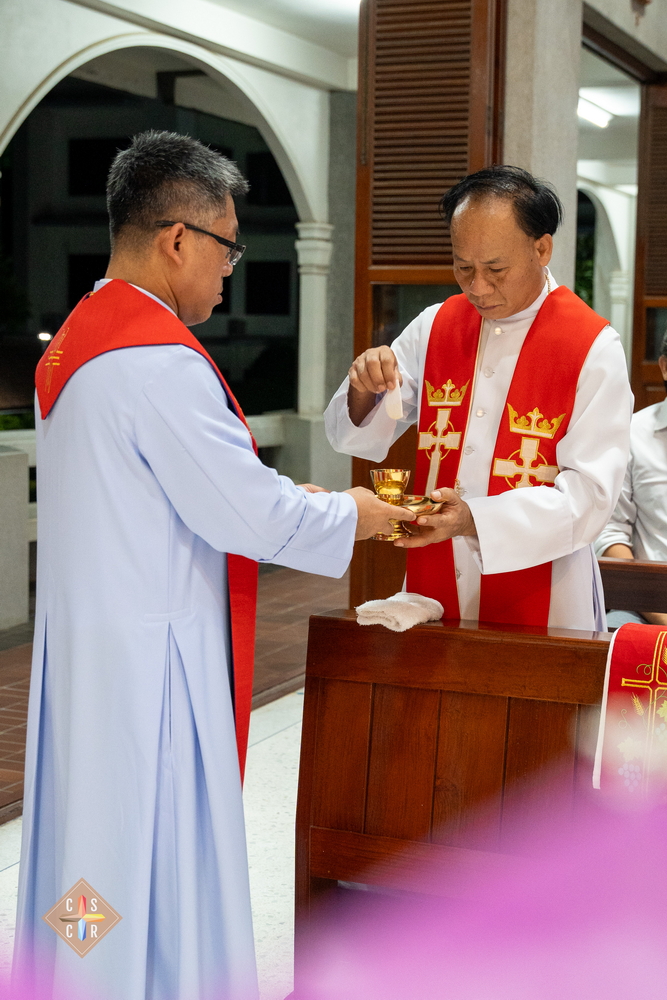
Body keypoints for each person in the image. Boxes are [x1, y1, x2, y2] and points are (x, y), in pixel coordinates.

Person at [12, 130, 414, 1000]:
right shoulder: (155, 361)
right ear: (177, 239)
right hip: (149, 663)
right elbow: (248, 514)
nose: (231, 270)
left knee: (89, 837)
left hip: (90, 648)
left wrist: (285, 494)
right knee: (147, 844)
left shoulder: (77, 342)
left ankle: (79, 976)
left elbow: (175, 491)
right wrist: (355, 514)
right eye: (227, 247)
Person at [325, 166, 632, 630]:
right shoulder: (436, 325)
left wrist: (474, 520)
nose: (477, 287)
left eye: (495, 270)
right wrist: (364, 387)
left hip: (546, 592)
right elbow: (360, 435)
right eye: (463, 268)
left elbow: (591, 497)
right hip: (435, 580)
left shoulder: (592, 346)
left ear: (542, 249)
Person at [595, 329, 667, 629]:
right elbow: (609, 533)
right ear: (664, 367)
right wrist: (658, 614)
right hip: (648, 604)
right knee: (616, 632)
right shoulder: (631, 434)